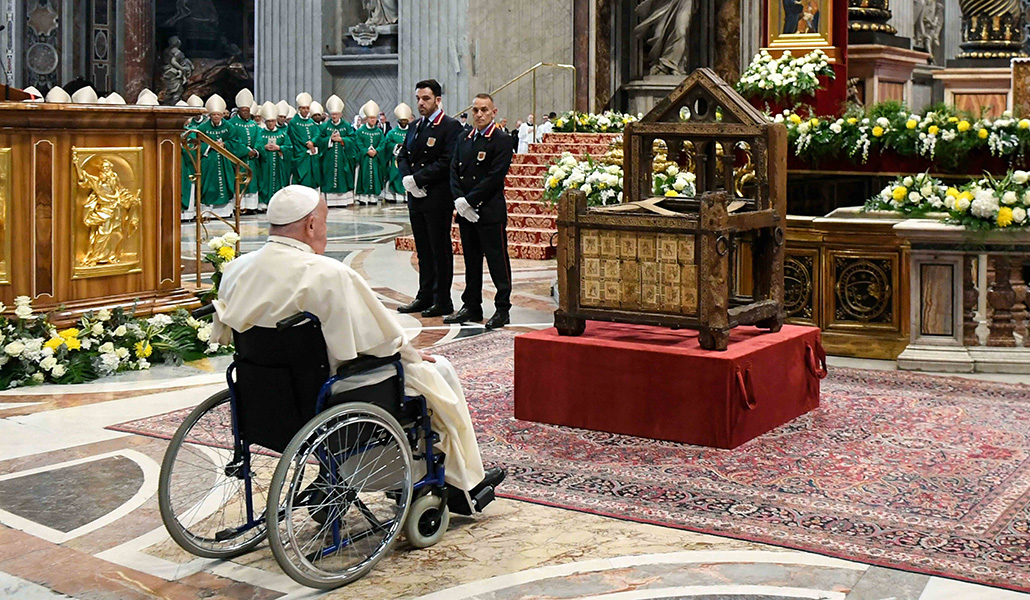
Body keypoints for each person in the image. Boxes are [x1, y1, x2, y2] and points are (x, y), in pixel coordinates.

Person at [211, 185, 506, 506]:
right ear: (311, 225)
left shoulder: (237, 269)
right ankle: (465, 485)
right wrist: (408, 354)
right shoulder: (327, 273)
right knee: (439, 370)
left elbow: (228, 332)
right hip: (330, 393)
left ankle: (340, 477)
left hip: (267, 395)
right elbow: (382, 341)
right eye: (323, 221)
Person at [396, 78, 463, 318]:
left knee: (439, 249)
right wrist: (407, 179)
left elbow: (448, 160)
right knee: (423, 250)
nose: (420, 103)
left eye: (425, 99)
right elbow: (403, 154)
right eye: (418, 99)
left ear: (438, 99)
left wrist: (419, 179)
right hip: (416, 196)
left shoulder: (450, 126)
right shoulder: (415, 126)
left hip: (436, 196)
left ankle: (442, 299)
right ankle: (424, 295)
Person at [446, 93, 513, 330]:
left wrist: (471, 201)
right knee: (471, 262)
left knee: (498, 262)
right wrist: (459, 201)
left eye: (484, 110)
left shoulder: (501, 140)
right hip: (466, 212)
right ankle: (472, 305)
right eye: (475, 110)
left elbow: (495, 177)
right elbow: (453, 170)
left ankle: (503, 309)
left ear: (494, 112)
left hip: (488, 212)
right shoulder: (464, 138)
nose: (479, 114)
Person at [192, 94, 241, 219]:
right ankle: (207, 212)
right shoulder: (202, 128)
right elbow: (197, 143)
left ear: (222, 115)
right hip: (209, 160)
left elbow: (235, 141)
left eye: (218, 115)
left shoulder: (229, 127)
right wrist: (210, 146)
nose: (216, 117)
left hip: (224, 159)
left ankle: (225, 212)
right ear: (210, 115)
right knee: (208, 185)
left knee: (225, 183)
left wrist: (224, 144)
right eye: (213, 115)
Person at [255, 101, 293, 210]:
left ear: (275, 121)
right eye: (268, 121)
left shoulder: (282, 134)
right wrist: (264, 148)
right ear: (264, 121)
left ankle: (277, 202)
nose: (270, 124)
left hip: (278, 163)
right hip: (265, 164)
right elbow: (257, 145)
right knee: (264, 181)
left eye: (272, 121)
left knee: (278, 182)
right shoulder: (261, 133)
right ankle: (263, 202)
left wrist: (280, 148)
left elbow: (289, 147)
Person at [320, 94, 357, 207]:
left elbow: (353, 139)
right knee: (328, 176)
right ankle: (329, 201)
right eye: (332, 114)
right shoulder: (325, 126)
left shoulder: (346, 126)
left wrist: (342, 139)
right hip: (329, 158)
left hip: (342, 158)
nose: (334, 116)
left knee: (342, 177)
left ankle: (343, 201)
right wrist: (330, 139)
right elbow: (319, 140)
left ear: (341, 114)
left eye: (336, 114)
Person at [230, 89, 262, 213]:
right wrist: (245, 150)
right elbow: (233, 139)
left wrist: (255, 150)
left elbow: (259, 138)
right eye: (244, 111)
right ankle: (240, 206)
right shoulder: (232, 124)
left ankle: (251, 206)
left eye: (248, 111)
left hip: (252, 159)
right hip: (240, 158)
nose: (246, 113)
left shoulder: (254, 124)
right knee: (239, 180)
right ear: (238, 111)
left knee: (252, 182)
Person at [353, 100, 387, 205]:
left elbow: (383, 143)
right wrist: (366, 151)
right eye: (371, 118)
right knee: (364, 175)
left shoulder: (379, 131)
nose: (373, 120)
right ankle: (363, 197)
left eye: (374, 118)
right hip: (364, 159)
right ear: (367, 118)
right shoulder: (360, 131)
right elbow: (358, 143)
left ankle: (373, 197)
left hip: (376, 158)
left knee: (375, 176)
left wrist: (376, 151)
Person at [379, 103, 412, 203]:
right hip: (395, 160)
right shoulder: (392, 133)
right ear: (398, 120)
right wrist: (397, 146)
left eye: (405, 120)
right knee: (396, 175)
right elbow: (387, 144)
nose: (404, 122)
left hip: (408, 160)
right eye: (402, 120)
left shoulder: (412, 131)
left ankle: (406, 196)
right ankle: (393, 196)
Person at [289, 93, 323, 189]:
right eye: (303, 108)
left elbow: (317, 134)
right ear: (299, 108)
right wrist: (307, 144)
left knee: (312, 179)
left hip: (311, 155)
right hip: (301, 155)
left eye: (307, 108)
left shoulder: (311, 122)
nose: (305, 110)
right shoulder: (293, 122)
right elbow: (294, 137)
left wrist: (313, 142)